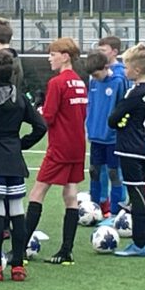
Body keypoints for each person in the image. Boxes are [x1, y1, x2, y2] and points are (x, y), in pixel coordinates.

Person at [0, 49, 47, 281]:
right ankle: (18, 266)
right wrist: (21, 144)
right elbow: (41, 126)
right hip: (15, 161)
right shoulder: (20, 99)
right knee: (16, 212)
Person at [22, 37, 88, 265]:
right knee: (70, 195)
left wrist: (36, 109)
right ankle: (66, 251)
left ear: (65, 56)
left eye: (53, 54)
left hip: (60, 146)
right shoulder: (79, 82)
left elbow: (47, 117)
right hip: (78, 145)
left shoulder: (57, 83)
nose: (49, 58)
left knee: (37, 193)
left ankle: (20, 249)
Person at [107, 43, 145, 257]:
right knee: (139, 195)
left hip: (130, 148)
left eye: (126, 67)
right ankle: (140, 241)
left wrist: (121, 123)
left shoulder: (134, 93)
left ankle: (140, 243)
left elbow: (113, 119)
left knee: (137, 197)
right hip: (144, 145)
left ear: (136, 70)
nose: (124, 70)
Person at [84, 49, 128, 219]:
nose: (95, 78)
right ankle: (96, 208)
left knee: (114, 173)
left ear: (106, 66)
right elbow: (92, 105)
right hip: (96, 136)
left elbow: (123, 107)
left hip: (112, 137)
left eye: (96, 74)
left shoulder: (118, 81)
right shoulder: (93, 82)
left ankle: (117, 211)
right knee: (94, 171)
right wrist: (88, 126)